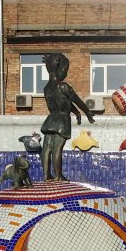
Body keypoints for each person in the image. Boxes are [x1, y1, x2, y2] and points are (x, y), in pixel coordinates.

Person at [39, 53, 94, 181]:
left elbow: (63, 101)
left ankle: (46, 175)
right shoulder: (63, 86)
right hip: (62, 120)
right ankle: (58, 176)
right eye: (66, 70)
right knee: (57, 148)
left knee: (47, 148)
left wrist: (76, 112)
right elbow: (77, 101)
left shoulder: (46, 88)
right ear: (60, 69)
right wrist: (87, 112)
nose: (66, 73)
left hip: (50, 119)